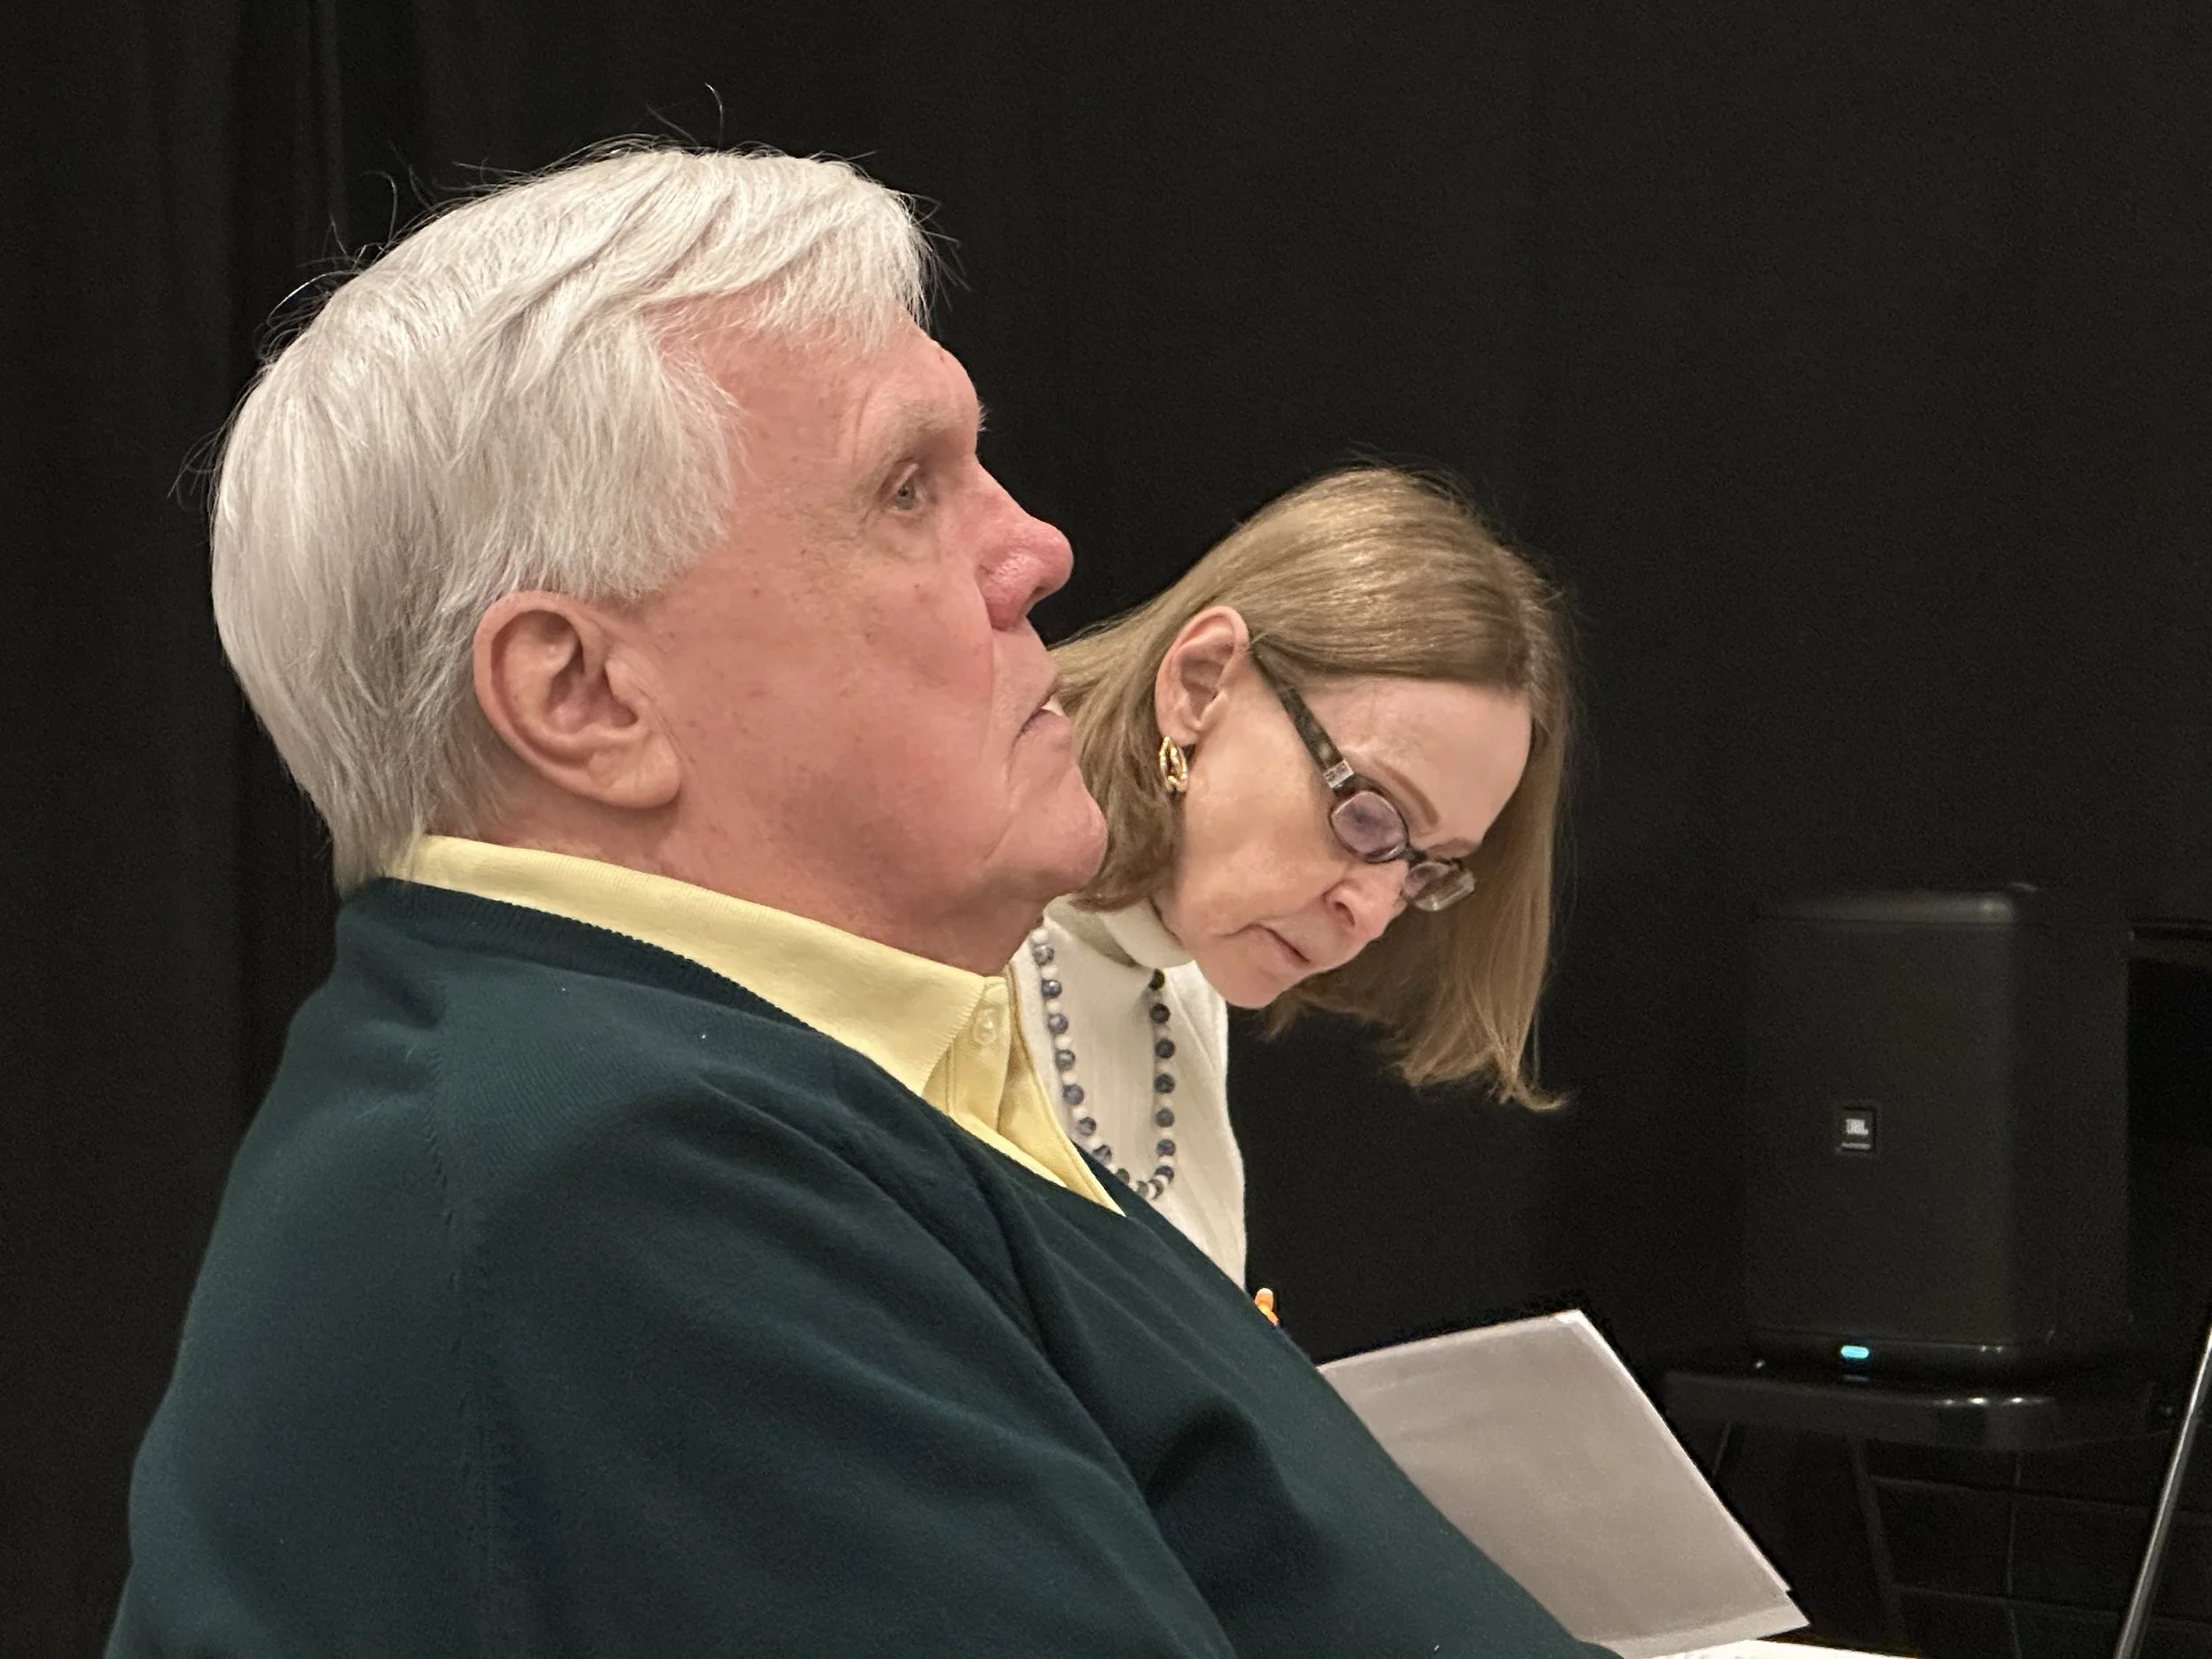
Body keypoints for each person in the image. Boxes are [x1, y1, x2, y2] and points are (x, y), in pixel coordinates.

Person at [108, 146, 1605, 1657]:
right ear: (585, 697)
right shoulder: (614, 1182)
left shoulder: (746, 1093)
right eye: (908, 488)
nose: (1038, 552)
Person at [1013, 467, 1568, 1281]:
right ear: (1201, 682)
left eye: (1426, 867)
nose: (1371, 912)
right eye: (1370, 815)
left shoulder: (1181, 971)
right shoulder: (934, 913)